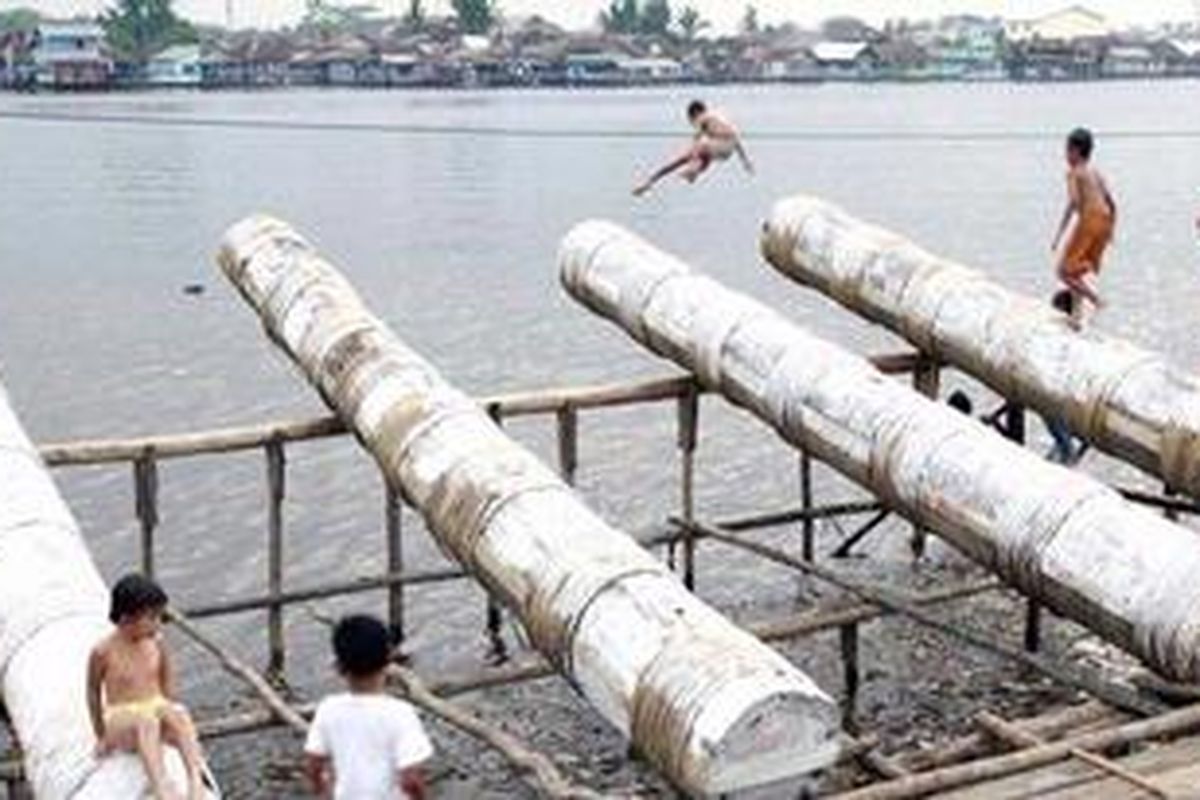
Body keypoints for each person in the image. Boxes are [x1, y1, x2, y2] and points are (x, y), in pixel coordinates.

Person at [87, 574, 207, 800]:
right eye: (151, 618)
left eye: (159, 617)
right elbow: (93, 693)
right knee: (147, 720)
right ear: (126, 618)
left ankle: (195, 778)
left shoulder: (157, 643)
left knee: (180, 713)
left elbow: (166, 683)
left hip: (155, 705)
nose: (157, 624)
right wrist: (100, 735)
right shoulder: (103, 652)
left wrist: (173, 719)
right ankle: (162, 786)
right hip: (122, 715)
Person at [305, 614, 433, 800]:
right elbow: (411, 779)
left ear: (339, 667)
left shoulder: (328, 708)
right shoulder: (401, 713)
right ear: (388, 660)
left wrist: (321, 789)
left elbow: (313, 763)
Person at [1051, 127, 1117, 328]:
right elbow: (1111, 202)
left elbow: (1074, 201)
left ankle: (1097, 301)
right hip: (1105, 220)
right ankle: (1076, 318)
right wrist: (1110, 230)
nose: (1065, 155)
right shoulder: (1096, 173)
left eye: (1067, 150)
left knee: (1063, 271)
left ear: (1076, 151)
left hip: (1090, 219)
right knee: (1076, 272)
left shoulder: (1074, 172)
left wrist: (1061, 234)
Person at [633, 100, 753, 196]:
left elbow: (697, 136)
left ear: (694, 114)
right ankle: (649, 183)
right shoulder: (717, 122)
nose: (690, 123)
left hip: (722, 146)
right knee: (684, 159)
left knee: (696, 149)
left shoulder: (703, 117)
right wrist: (745, 162)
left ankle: (693, 172)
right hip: (725, 149)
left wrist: (692, 159)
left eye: (689, 119)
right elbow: (736, 140)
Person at [1043, 289, 1089, 465]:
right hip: (1065, 394)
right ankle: (1064, 460)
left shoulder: (1069, 332)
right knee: (1063, 438)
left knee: (1063, 437)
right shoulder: (1065, 332)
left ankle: (1064, 461)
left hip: (1064, 395)